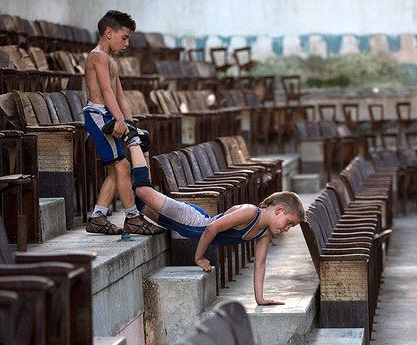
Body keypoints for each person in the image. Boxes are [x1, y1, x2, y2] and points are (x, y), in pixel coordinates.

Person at [127, 143, 305, 305]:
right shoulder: (250, 212)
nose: (286, 229)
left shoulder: (265, 232)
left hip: (187, 227)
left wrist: (260, 299)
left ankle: (143, 151)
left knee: (140, 203)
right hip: (190, 220)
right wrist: (199, 257)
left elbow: (260, 263)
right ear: (279, 209)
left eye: (291, 227)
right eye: (289, 222)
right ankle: (134, 141)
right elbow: (212, 228)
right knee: (142, 190)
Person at [82, 10, 163, 235]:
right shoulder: (97, 56)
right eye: (124, 37)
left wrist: (130, 124)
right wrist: (118, 119)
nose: (127, 43)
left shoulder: (111, 61)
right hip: (98, 116)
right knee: (122, 166)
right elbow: (106, 92)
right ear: (109, 33)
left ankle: (97, 217)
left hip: (109, 115)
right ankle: (133, 218)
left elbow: (120, 96)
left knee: (115, 170)